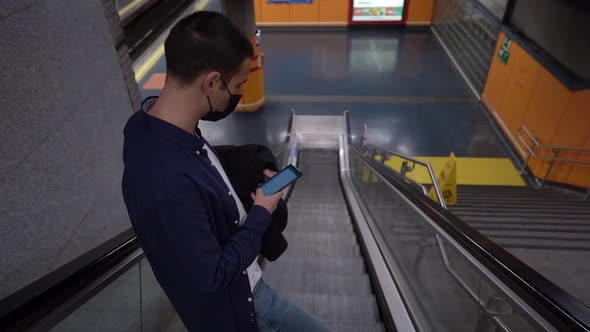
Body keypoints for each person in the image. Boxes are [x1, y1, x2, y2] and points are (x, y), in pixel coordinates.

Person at [121, 11, 331, 332]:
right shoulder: (166, 182)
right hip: (244, 304)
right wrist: (262, 211)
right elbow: (214, 276)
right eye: (239, 84)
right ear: (212, 82)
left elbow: (195, 164)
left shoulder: (152, 123)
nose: (242, 93)